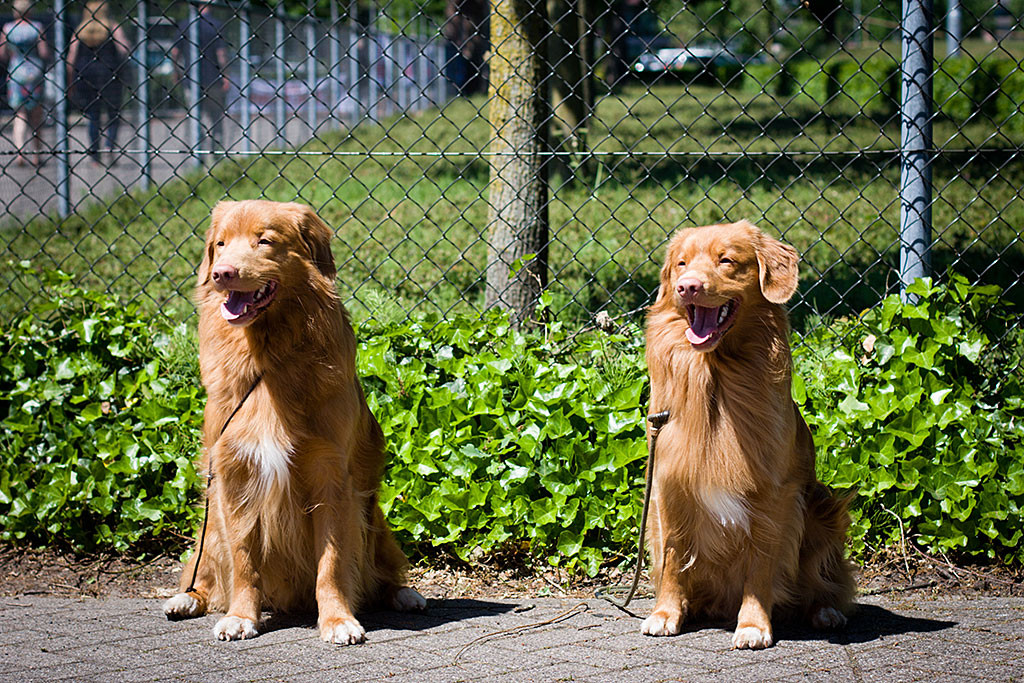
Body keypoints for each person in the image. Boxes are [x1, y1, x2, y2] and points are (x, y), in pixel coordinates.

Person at [67, 0, 129, 165]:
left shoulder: (80, 31)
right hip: (109, 74)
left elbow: (71, 58)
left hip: (85, 75)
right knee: (113, 114)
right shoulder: (112, 27)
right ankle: (110, 147)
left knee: (93, 115)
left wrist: (70, 80)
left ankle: (95, 153)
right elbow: (124, 48)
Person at [172, 2, 228, 158]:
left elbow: (175, 52)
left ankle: (199, 152)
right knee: (216, 117)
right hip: (213, 79)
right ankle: (216, 150)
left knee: (196, 116)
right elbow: (221, 54)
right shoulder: (216, 25)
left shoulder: (185, 25)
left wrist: (176, 72)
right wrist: (225, 75)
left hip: (191, 79)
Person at [1, 0, 50, 166]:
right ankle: (37, 154)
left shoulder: (8, 29)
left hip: (16, 72)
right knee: (36, 115)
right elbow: (44, 52)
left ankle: (20, 152)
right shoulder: (36, 27)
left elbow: (3, 53)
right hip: (34, 73)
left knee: (19, 114)